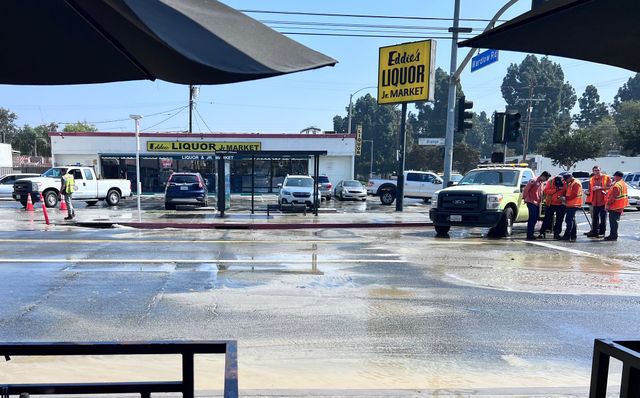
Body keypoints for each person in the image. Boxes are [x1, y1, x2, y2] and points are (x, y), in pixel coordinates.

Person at [522, 171, 551, 240]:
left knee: (534, 219)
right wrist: (524, 197)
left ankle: (531, 233)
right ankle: (529, 235)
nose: (546, 180)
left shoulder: (541, 183)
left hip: (536, 203)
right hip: (531, 201)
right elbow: (526, 189)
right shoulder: (534, 180)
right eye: (546, 178)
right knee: (532, 218)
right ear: (543, 176)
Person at [586, 166, 611, 238]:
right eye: (595, 170)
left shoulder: (606, 177)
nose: (596, 172)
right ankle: (594, 232)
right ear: (593, 171)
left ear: (600, 170)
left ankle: (602, 232)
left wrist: (600, 187)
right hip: (594, 201)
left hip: (603, 201)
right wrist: (587, 192)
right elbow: (590, 190)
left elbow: (610, 187)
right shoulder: (591, 179)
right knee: (594, 218)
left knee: (603, 218)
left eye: (598, 170)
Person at [604, 171, 629, 241]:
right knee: (615, 222)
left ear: (618, 177)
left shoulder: (616, 185)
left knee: (613, 222)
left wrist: (607, 205)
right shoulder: (623, 183)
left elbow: (613, 197)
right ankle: (613, 235)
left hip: (615, 206)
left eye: (615, 176)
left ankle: (613, 236)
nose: (614, 177)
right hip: (620, 205)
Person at [539, 175, 566, 239]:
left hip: (561, 204)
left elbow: (567, 192)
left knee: (559, 220)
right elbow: (546, 191)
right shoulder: (550, 182)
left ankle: (557, 234)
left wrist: (563, 198)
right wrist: (556, 189)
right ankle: (542, 233)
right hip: (550, 203)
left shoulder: (565, 183)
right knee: (547, 219)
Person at [561, 173, 583, 242]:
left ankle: (567, 235)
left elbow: (574, 194)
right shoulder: (572, 182)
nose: (565, 181)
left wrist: (565, 198)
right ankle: (573, 235)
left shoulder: (575, 183)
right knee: (572, 220)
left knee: (569, 220)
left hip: (573, 204)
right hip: (572, 204)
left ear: (569, 178)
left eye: (566, 180)